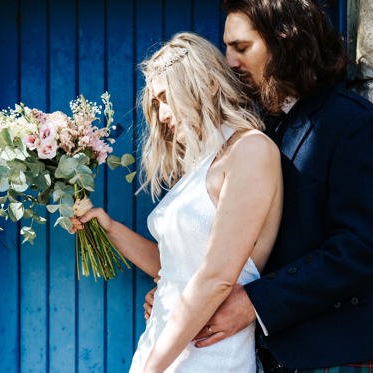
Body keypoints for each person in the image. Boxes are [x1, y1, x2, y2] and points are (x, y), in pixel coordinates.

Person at [145, 0, 373, 372]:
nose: (230, 60)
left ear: (285, 43)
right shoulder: (253, 129)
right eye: (228, 47)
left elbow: (359, 248)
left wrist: (256, 302)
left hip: (334, 351)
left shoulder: (350, 122)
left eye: (242, 48)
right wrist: (179, 298)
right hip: (261, 355)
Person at [72, 32, 283, 372]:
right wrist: (109, 228)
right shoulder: (201, 164)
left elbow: (217, 278)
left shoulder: (251, 151)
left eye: (166, 98)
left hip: (210, 354)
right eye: (156, 104)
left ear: (210, 85)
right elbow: (175, 270)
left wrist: (153, 367)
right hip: (164, 344)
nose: (163, 115)